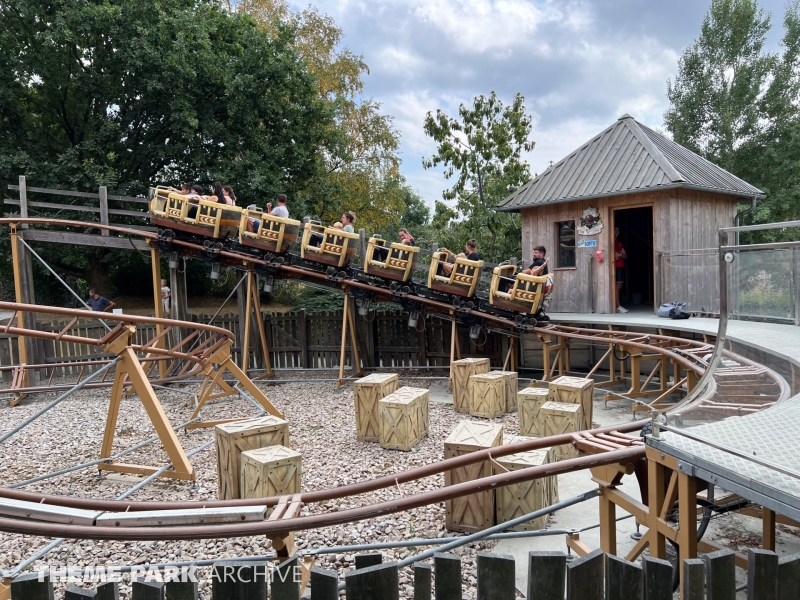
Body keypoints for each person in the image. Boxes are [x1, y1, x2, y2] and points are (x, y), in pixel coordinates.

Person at [614, 226, 629, 313]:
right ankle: (617, 305)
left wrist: (619, 255)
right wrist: (620, 255)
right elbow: (614, 256)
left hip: (621, 266)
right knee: (616, 286)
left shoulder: (619, 242)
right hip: (615, 266)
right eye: (615, 230)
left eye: (618, 230)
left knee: (619, 286)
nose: (616, 232)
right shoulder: (610, 242)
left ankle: (618, 305)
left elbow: (625, 255)